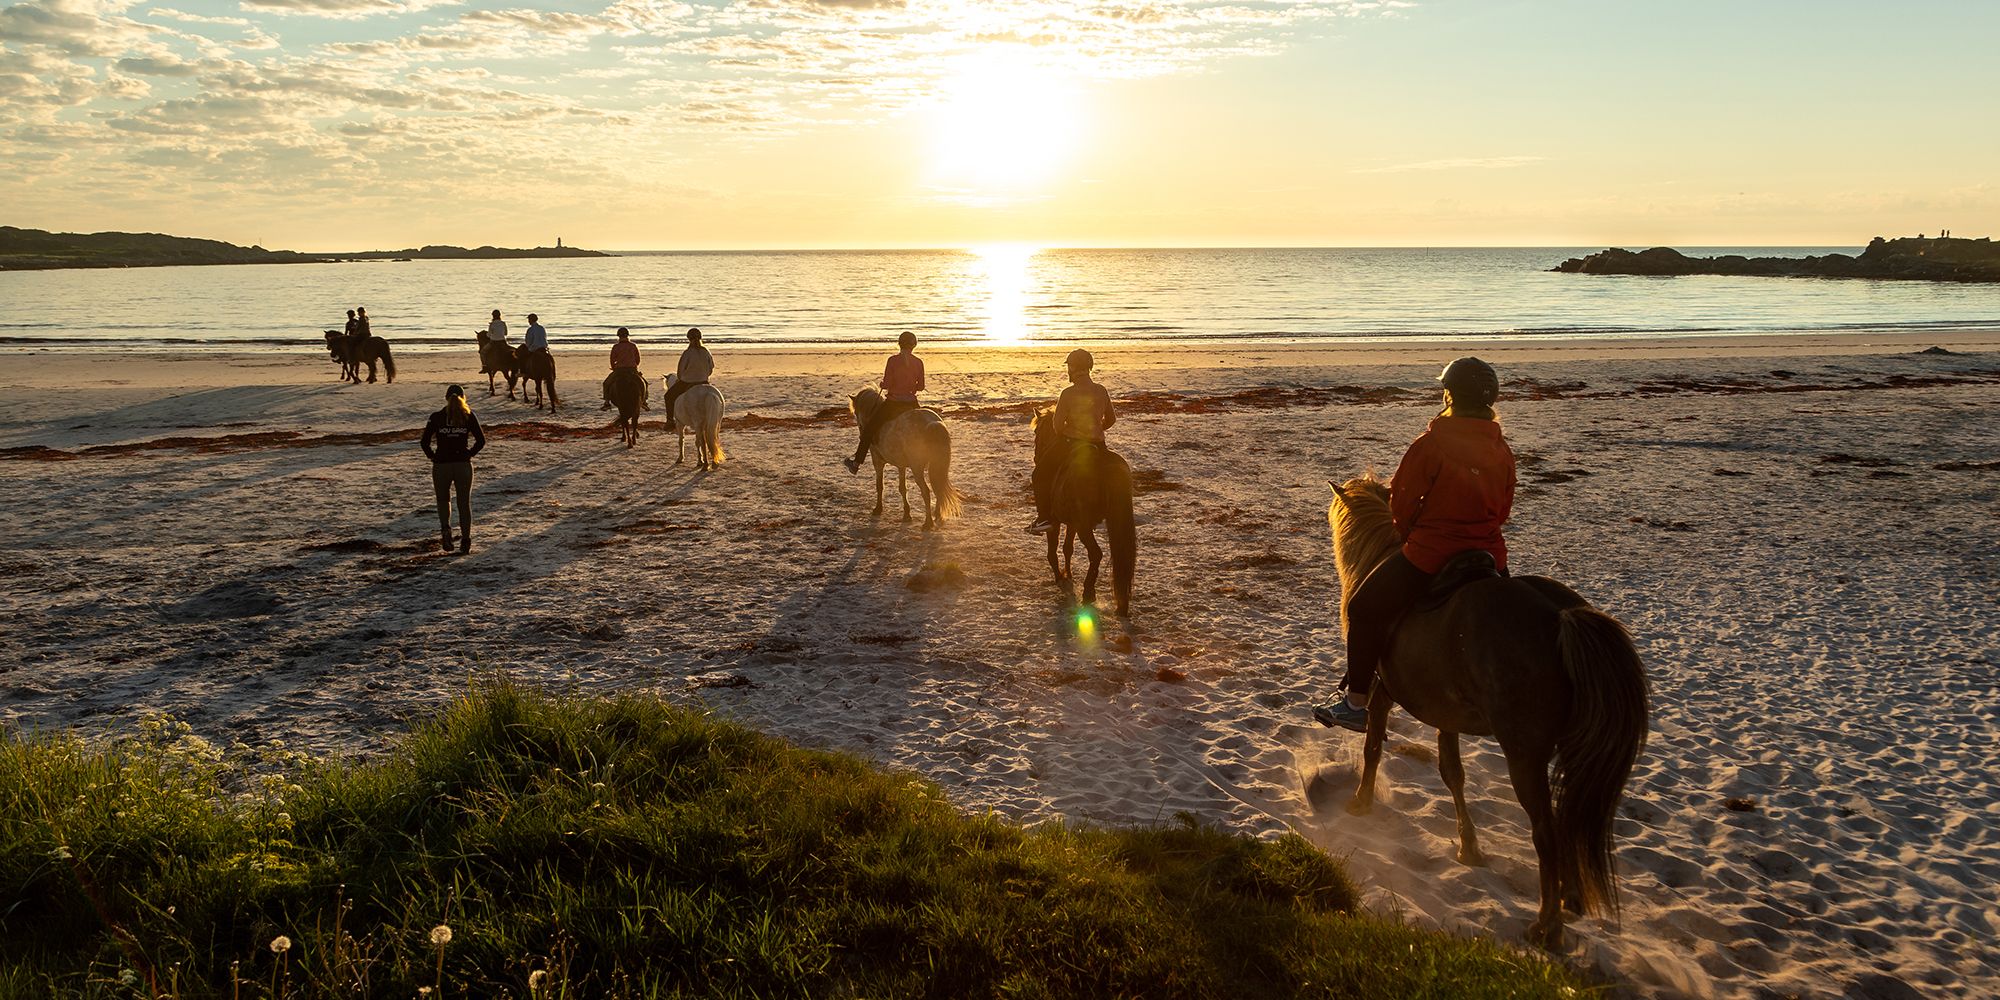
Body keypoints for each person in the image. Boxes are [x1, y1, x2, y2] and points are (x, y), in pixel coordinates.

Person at [1314, 357, 1516, 732]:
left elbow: (1402, 503)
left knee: (1363, 608)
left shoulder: (1430, 445)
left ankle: (1356, 702)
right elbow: (1503, 509)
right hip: (1489, 555)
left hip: (1431, 553)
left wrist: (1408, 535)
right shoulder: (1501, 449)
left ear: (1449, 395)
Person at [1026, 348, 1116, 534]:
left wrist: (1072, 430)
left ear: (1074, 368)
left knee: (1039, 475)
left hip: (1071, 444)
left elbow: (1057, 426)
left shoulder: (1067, 394)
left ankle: (1044, 518)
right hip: (1098, 445)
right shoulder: (1101, 390)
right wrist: (1097, 429)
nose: (1068, 371)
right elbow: (1111, 420)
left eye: (1069, 367)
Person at [420, 384, 486, 555]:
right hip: (463, 465)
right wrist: (469, 454)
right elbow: (481, 440)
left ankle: (446, 530)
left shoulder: (437, 417)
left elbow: (424, 442)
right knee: (464, 503)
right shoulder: (468, 416)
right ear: (463, 398)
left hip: (441, 465)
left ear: (446, 398)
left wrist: (433, 456)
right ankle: (466, 539)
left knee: (443, 500)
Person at [845, 331, 923, 473]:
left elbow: (886, 384)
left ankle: (856, 464)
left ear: (899, 344)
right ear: (914, 345)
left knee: (868, 430)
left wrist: (882, 385)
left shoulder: (892, 360)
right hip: (912, 404)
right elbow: (921, 387)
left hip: (893, 404)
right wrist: (911, 386)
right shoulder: (918, 362)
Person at [662, 327, 713, 429]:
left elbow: (680, 371)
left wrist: (681, 378)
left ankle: (670, 421)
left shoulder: (687, 353)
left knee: (668, 397)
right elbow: (711, 368)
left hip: (687, 383)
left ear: (689, 339)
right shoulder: (706, 351)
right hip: (704, 381)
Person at [600, 327, 643, 410]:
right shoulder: (633, 346)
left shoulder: (616, 347)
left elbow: (612, 360)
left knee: (606, 384)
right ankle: (644, 400)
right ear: (627, 336)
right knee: (644, 383)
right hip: (632, 370)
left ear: (618, 336)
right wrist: (633, 365)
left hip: (620, 371)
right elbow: (638, 360)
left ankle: (607, 402)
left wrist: (614, 368)